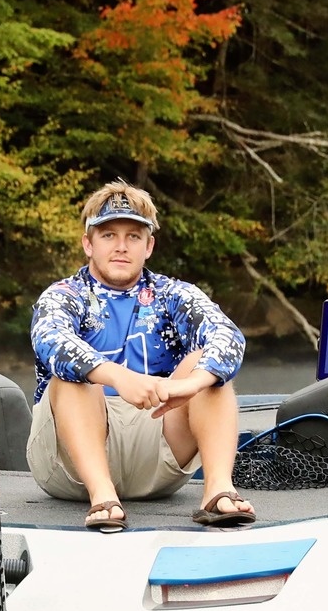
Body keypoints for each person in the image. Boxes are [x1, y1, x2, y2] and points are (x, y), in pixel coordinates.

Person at [29, 181, 255, 531]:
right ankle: (102, 496)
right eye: (108, 235)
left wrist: (193, 383)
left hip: (157, 449)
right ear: (87, 243)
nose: (121, 247)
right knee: (72, 376)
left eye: (133, 236)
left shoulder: (175, 294)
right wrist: (118, 377)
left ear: (149, 246)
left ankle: (219, 491)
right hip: (69, 467)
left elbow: (228, 336)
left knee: (208, 367)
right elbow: (51, 340)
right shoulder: (63, 295)